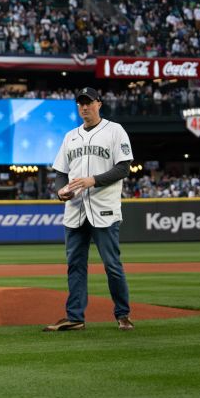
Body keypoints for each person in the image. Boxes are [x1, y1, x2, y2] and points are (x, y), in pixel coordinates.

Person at [43, 88, 136, 332]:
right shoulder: (70, 136)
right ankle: (75, 317)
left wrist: (92, 180)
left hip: (103, 208)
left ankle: (123, 314)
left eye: (89, 103)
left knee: (111, 264)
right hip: (74, 210)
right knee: (75, 264)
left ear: (99, 103)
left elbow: (124, 168)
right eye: (80, 104)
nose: (84, 107)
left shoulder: (115, 131)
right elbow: (61, 172)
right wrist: (61, 190)